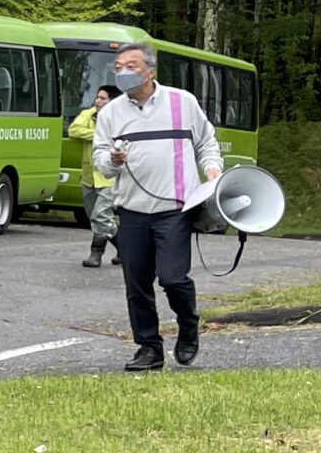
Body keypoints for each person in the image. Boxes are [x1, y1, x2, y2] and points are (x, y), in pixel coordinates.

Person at [94, 43, 224, 372]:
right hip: (132, 210)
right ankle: (149, 347)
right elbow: (100, 162)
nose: (123, 72)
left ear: (150, 71)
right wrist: (113, 159)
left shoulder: (182, 102)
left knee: (173, 278)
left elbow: (206, 142)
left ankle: (188, 324)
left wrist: (212, 170)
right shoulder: (110, 113)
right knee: (136, 283)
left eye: (131, 66)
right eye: (118, 67)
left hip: (176, 208)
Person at [71, 85, 118, 267]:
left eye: (102, 98)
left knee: (100, 216)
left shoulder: (120, 117)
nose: (97, 101)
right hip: (89, 176)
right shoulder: (89, 114)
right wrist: (99, 135)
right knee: (95, 218)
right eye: (97, 97)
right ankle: (126, 248)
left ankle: (96, 254)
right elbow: (74, 130)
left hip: (109, 177)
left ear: (112, 101)